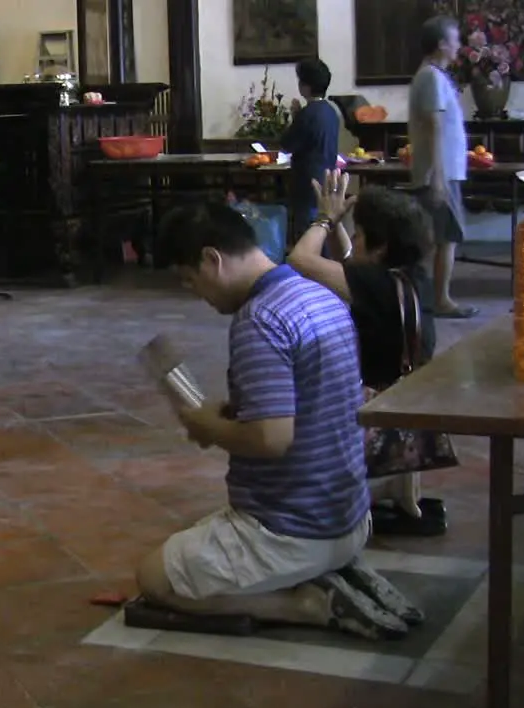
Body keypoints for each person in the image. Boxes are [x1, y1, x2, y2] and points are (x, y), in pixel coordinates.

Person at [134, 201, 422, 640]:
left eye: (192, 281)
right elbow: (311, 403)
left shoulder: (260, 320)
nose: (200, 297)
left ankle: (306, 605)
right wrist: (230, 413)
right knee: (199, 534)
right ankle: (334, 571)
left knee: (155, 577)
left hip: (296, 531)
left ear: (213, 259)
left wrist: (206, 426)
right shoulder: (318, 294)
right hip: (350, 516)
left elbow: (271, 440)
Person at [286, 170, 444, 536]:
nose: (353, 240)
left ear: (381, 245)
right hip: (408, 398)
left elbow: (301, 260)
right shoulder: (408, 276)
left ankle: (362, 495)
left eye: (359, 233)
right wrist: (341, 224)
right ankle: (397, 491)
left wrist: (325, 219)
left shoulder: (377, 284)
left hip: (377, 404)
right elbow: (351, 263)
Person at [409, 16, 478, 319]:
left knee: (440, 237)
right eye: (455, 40)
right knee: (444, 237)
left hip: (445, 171)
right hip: (440, 173)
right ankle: (440, 300)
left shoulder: (435, 76)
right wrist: (437, 175)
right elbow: (434, 126)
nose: (459, 46)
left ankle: (432, 297)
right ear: (441, 44)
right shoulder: (430, 78)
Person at [281, 58, 341, 244]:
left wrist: (296, 118)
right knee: (325, 239)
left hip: (307, 186)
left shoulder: (307, 115)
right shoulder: (331, 111)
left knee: (307, 240)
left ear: (305, 86)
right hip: (328, 182)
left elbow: (288, 144)